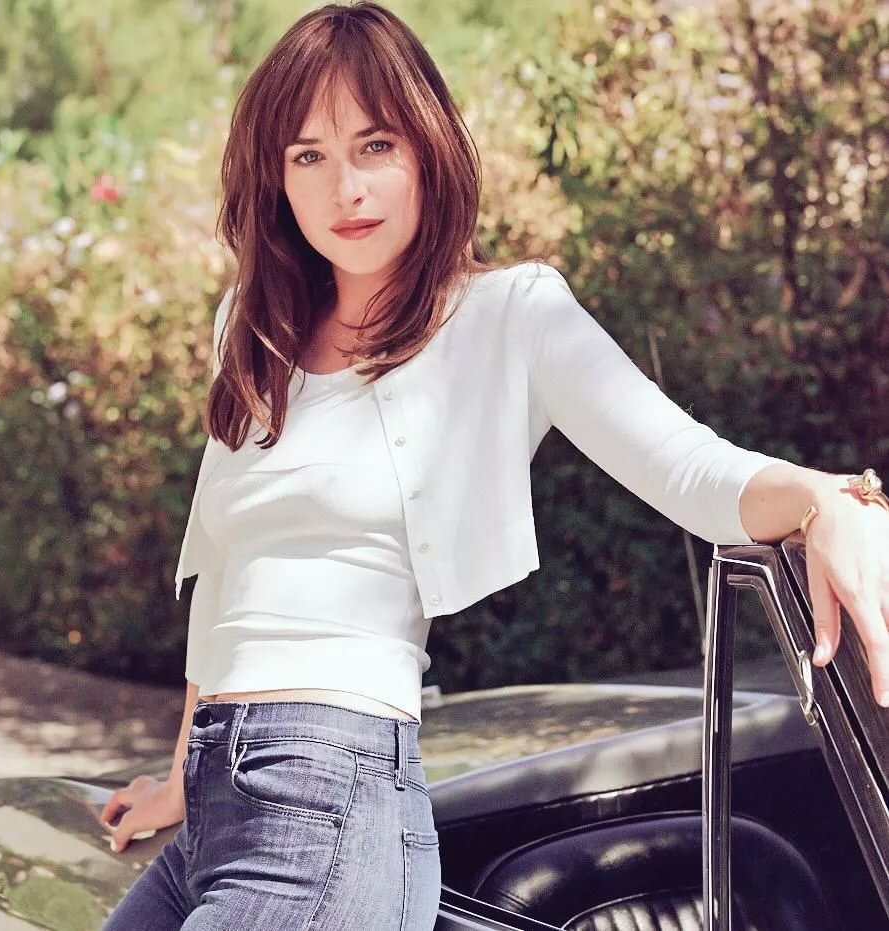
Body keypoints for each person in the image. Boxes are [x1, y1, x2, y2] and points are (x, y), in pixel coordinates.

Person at [98, 2, 889, 929]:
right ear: (274, 179)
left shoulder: (512, 313)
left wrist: (831, 499)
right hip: (218, 800)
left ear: (427, 147)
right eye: (307, 155)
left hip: (333, 798)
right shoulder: (250, 324)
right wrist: (184, 777)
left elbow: (692, 471)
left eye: (375, 145)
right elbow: (224, 572)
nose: (345, 187)